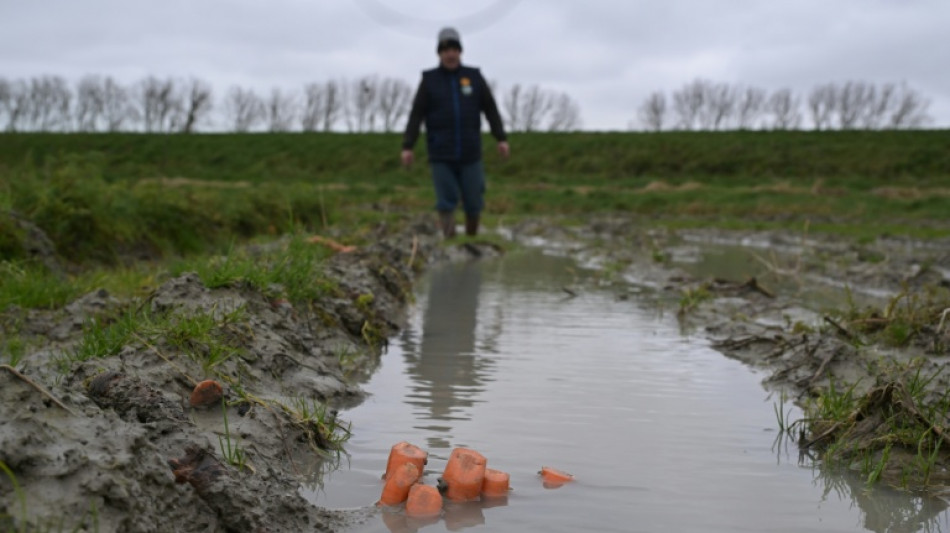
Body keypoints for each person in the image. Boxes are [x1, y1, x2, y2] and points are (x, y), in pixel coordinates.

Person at [401, 27, 510, 238]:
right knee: (446, 198)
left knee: (474, 199)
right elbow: (416, 115)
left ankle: (471, 239)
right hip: (440, 152)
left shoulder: (474, 77)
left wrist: (501, 138)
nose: (450, 54)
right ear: (439, 53)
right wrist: (408, 146)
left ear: (460, 51)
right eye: (445, 50)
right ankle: (450, 241)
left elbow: (490, 109)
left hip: (470, 151)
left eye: (454, 49)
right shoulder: (429, 80)